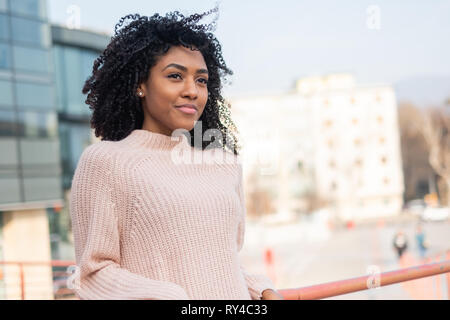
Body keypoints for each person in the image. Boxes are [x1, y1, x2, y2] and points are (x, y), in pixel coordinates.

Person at [70, 7, 283, 300]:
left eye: (201, 80)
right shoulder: (107, 162)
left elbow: (223, 260)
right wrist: (167, 296)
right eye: (175, 76)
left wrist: (260, 288)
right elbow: (92, 275)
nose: (192, 91)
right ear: (140, 85)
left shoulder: (224, 165)